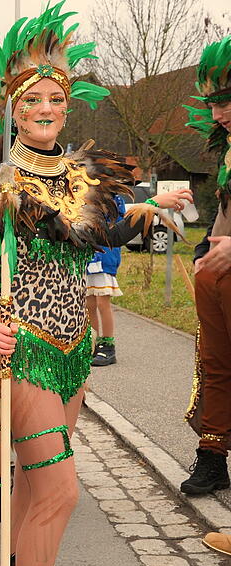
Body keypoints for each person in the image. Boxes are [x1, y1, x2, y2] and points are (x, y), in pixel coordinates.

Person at [0, 3, 192, 566]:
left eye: (55, 98)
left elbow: (106, 233)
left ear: (67, 105)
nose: (46, 109)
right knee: (61, 491)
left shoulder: (83, 177)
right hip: (22, 353)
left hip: (74, 349)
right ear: (12, 108)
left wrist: (149, 217)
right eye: (33, 100)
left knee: (33, 489)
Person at [184, 36, 231, 513]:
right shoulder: (227, 148)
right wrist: (204, 250)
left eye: (226, 101)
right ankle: (212, 457)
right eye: (213, 104)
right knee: (214, 368)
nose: (218, 114)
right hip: (216, 278)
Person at [86, 195, 127, 366]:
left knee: (103, 303)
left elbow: (116, 227)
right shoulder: (86, 195)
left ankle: (108, 346)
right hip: (88, 258)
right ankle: (93, 343)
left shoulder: (115, 200)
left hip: (105, 257)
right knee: (89, 304)